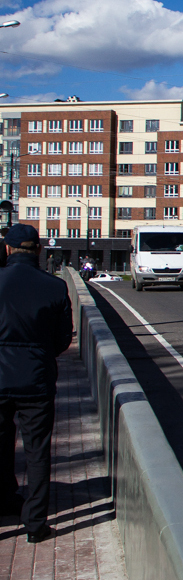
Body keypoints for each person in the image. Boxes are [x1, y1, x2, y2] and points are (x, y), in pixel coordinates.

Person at [0, 224, 72, 543]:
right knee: (37, 450)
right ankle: (35, 523)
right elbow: (61, 340)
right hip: (36, 379)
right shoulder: (54, 287)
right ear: (39, 250)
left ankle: (4, 502)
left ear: (7, 249)